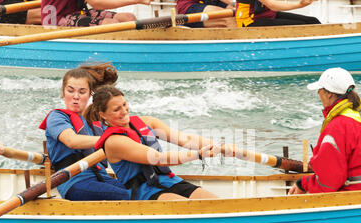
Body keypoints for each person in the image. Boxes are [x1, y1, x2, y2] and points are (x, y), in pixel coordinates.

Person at [85, 85, 223, 200]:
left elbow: (185, 139)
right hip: (144, 192)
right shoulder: (114, 142)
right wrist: (197, 154)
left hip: (169, 180)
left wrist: (217, 146)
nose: (124, 111)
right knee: (189, 208)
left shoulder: (147, 122)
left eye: (124, 104)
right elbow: (158, 159)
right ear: (103, 115)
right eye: (116, 109)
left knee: (216, 204)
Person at [289, 67, 361, 195]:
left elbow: (328, 183)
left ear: (329, 94)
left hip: (360, 195)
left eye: (320, 90)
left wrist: (303, 184)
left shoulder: (337, 127)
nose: (318, 93)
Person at [39, 63, 132, 201]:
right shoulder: (57, 117)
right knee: (131, 197)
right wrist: (110, 140)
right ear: (63, 92)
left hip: (102, 179)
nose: (76, 96)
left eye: (82, 92)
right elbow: (72, 141)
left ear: (90, 95)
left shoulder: (96, 123)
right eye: (70, 91)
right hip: (75, 183)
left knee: (144, 192)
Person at [41, 0, 151, 27]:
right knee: (111, 23)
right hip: (53, 20)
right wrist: (137, 1)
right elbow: (97, 3)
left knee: (128, 17)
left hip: (77, 12)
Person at [235, 0, 320, 27]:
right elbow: (272, 5)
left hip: (269, 14)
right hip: (249, 22)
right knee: (301, 25)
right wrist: (300, 4)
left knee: (312, 21)